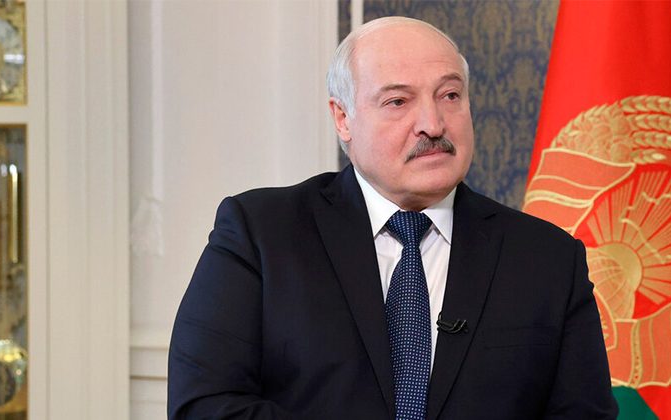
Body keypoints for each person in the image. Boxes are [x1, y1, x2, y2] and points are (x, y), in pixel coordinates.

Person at [168, 16, 617, 419]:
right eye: (398, 101)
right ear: (343, 118)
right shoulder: (261, 233)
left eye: (450, 95)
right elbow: (204, 404)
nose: (433, 124)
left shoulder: (548, 259)